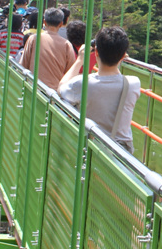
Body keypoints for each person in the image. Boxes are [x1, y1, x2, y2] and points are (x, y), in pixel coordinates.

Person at [58, 26, 141, 154]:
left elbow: (61, 88)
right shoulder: (133, 83)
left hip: (92, 150)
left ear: (96, 52)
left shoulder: (82, 83)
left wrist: (79, 60)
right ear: (123, 56)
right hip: (121, 154)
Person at [20, 7, 76, 90]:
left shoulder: (34, 39)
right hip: (53, 92)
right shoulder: (67, 44)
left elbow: (23, 64)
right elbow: (71, 72)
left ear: (44, 22)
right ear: (61, 24)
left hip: (33, 88)